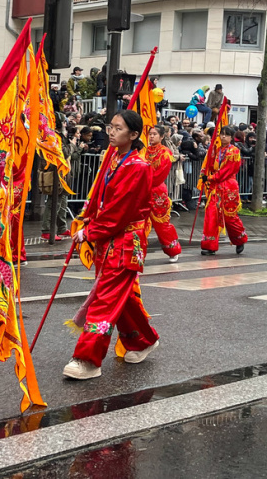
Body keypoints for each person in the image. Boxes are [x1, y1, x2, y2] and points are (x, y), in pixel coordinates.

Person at [64, 110, 158, 380]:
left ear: (134, 135)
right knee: (121, 296)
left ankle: (87, 359)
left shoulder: (138, 167)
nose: (111, 132)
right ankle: (143, 339)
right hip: (109, 238)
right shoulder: (113, 158)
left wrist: (91, 231)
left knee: (104, 300)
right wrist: (87, 220)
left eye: (118, 128)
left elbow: (120, 211)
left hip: (125, 240)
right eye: (110, 126)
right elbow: (100, 199)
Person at [200, 126, 248, 256]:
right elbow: (210, 166)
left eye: (226, 135)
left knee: (230, 216)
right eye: (222, 134)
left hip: (228, 187)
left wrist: (210, 177)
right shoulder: (216, 150)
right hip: (215, 188)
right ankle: (209, 245)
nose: (223, 137)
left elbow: (226, 171)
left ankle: (239, 239)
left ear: (231, 137)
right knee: (211, 214)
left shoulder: (234, 152)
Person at [145, 125, 182, 264]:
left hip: (156, 191)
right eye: (150, 134)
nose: (151, 136)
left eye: (155, 134)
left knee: (161, 224)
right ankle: (137, 254)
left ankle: (173, 249)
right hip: (142, 191)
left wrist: (144, 182)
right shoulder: (144, 152)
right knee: (139, 224)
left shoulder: (165, 153)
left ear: (161, 137)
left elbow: (159, 175)